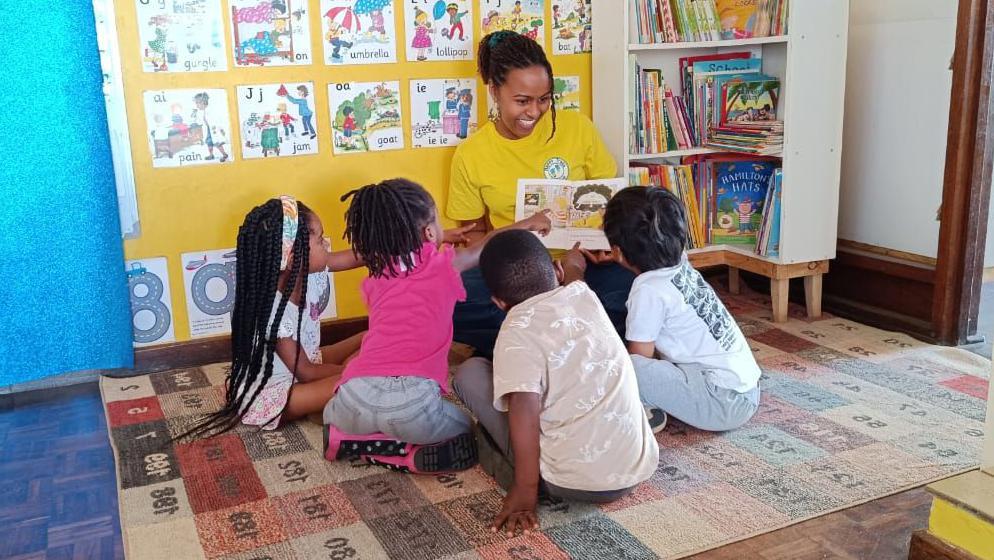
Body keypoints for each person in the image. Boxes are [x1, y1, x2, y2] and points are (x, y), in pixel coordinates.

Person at [322, 179, 552, 473]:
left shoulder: (377, 263)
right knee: (467, 430)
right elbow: (492, 242)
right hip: (410, 406)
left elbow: (351, 257)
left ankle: (349, 438)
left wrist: (437, 237)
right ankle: (400, 454)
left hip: (349, 399)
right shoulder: (447, 264)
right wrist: (530, 222)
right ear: (429, 232)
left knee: (349, 413)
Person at [453, 230, 658, 535]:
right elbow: (575, 273)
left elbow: (524, 407)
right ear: (556, 271)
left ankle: (520, 474)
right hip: (637, 465)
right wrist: (573, 261)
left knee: (469, 374)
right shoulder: (584, 294)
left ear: (497, 301)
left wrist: (525, 489)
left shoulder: (515, 331)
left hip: (571, 482)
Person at [447, 31, 632, 359]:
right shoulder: (471, 153)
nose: (534, 111)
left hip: (584, 263)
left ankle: (528, 342)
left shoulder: (578, 128)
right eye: (522, 101)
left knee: (638, 289)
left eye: (544, 99)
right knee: (449, 300)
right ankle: (576, 338)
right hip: (519, 272)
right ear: (494, 91)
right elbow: (474, 234)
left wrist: (608, 246)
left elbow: (612, 202)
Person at [180, 197, 365, 438]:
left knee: (370, 337)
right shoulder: (272, 310)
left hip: (303, 363)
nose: (327, 246)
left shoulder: (308, 269)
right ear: (292, 257)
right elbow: (306, 373)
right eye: (320, 240)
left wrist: (393, 247)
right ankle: (324, 402)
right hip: (275, 391)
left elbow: (354, 257)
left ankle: (322, 406)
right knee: (358, 382)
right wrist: (351, 370)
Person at [602, 187, 761, 431]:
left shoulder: (647, 290)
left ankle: (645, 410)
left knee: (623, 365)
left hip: (721, 403)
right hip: (745, 386)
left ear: (617, 252)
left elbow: (640, 358)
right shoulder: (680, 262)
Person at [192, 92, 229, 162]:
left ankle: (224, 154)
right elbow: (201, 122)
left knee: (217, 142)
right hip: (209, 129)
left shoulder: (210, 110)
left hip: (214, 130)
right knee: (209, 142)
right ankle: (211, 155)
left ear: (203, 102)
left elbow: (215, 121)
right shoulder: (203, 111)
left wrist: (219, 130)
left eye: (197, 103)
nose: (197, 105)